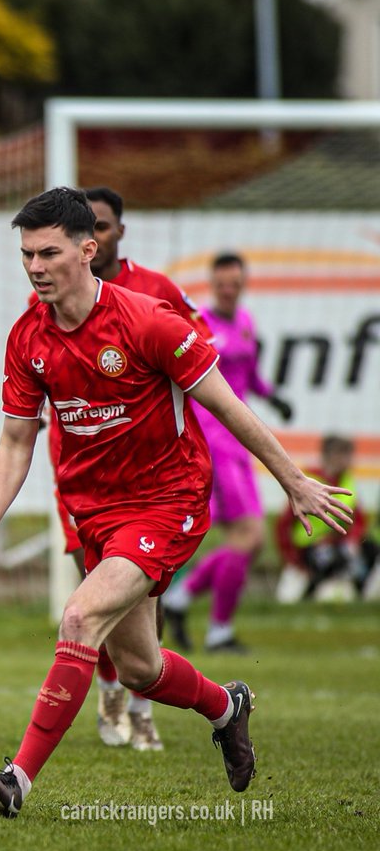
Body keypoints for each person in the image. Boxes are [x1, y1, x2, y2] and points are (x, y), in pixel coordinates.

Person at [0, 187, 351, 818]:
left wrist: (293, 480)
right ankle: (228, 707)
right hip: (96, 512)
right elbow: (15, 440)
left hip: (167, 499)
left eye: (48, 253)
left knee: (80, 619)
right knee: (140, 668)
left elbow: (228, 406)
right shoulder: (27, 337)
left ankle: (17, 781)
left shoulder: (147, 321)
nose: (35, 267)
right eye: (27, 254)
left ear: (89, 250)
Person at [38, 186, 214, 751]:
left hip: (152, 487)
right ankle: (119, 694)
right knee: (103, 609)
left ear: (109, 237)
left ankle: (137, 709)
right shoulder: (43, 310)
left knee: (122, 603)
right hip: (83, 486)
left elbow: (198, 356)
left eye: (105, 226)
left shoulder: (154, 295)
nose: (38, 265)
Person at [162, 252, 294, 653]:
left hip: (240, 443)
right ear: (212, 284)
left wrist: (274, 397)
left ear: (242, 283)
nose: (228, 289)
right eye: (221, 283)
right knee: (247, 534)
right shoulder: (197, 327)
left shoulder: (246, 323)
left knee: (252, 541)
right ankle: (218, 630)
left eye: (234, 283)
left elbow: (249, 377)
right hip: (213, 443)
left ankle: (180, 599)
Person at [276, 434, 372, 600]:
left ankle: (359, 592)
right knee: (328, 557)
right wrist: (291, 557)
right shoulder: (308, 482)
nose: (348, 460)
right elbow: (284, 524)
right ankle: (312, 590)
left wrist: (352, 539)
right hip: (310, 545)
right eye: (343, 454)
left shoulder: (347, 482)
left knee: (368, 550)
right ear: (328, 455)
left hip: (339, 544)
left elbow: (359, 520)